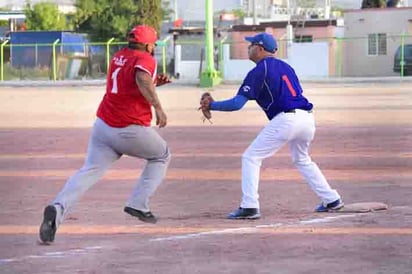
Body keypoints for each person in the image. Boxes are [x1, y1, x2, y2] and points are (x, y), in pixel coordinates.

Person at [39, 25, 172, 244]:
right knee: (162, 155)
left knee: (88, 171)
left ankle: (58, 207)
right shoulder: (145, 59)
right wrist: (158, 106)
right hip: (129, 129)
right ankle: (138, 204)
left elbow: (130, 79)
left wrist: (156, 82)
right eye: (153, 44)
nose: (154, 47)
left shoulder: (120, 55)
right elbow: (141, 78)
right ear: (147, 44)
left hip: (103, 127)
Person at [199, 32, 343, 219]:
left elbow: (237, 104)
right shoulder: (286, 66)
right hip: (307, 119)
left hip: (287, 120)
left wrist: (212, 105)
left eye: (251, 45)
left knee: (251, 157)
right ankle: (331, 198)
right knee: (302, 159)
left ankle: (249, 206)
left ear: (260, 49)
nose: (248, 48)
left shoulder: (259, 70)